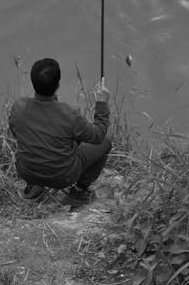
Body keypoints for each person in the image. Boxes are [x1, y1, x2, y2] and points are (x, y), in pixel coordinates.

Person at [8, 57, 111, 203]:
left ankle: (34, 186)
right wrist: (102, 102)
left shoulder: (19, 107)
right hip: (64, 177)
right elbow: (98, 135)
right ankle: (79, 192)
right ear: (58, 84)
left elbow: (16, 133)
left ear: (33, 82)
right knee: (105, 142)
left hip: (27, 171)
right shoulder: (69, 114)